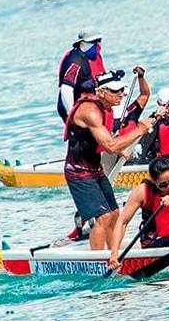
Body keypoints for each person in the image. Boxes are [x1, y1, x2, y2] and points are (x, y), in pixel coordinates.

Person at [63, 70, 153, 250]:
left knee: (114, 214)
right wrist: (139, 131)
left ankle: (114, 254)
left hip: (95, 169)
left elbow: (144, 96)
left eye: (121, 90)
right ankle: (97, 259)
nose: (120, 94)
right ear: (102, 92)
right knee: (103, 217)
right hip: (79, 172)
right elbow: (111, 146)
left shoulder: (106, 108)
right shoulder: (90, 111)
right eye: (115, 91)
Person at [108, 158, 169, 269]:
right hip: (155, 240)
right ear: (153, 181)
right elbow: (122, 222)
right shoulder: (142, 192)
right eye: (163, 185)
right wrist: (114, 253)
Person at [57, 28, 106, 121]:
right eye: (93, 42)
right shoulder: (75, 62)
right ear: (82, 43)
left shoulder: (95, 57)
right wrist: (71, 114)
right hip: (74, 106)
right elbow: (66, 90)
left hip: (91, 103)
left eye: (98, 41)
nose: (97, 45)